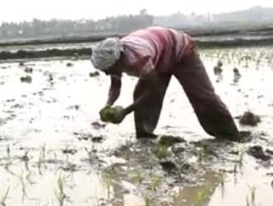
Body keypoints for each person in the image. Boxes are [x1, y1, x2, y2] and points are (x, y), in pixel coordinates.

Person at [90, 26, 239, 141]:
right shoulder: (116, 59)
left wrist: (125, 112)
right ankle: (145, 137)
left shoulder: (137, 57)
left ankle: (229, 135)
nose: (107, 73)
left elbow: (153, 90)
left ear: (117, 59)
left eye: (108, 69)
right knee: (141, 93)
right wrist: (107, 105)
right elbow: (115, 85)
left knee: (203, 96)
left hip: (182, 52)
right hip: (159, 55)